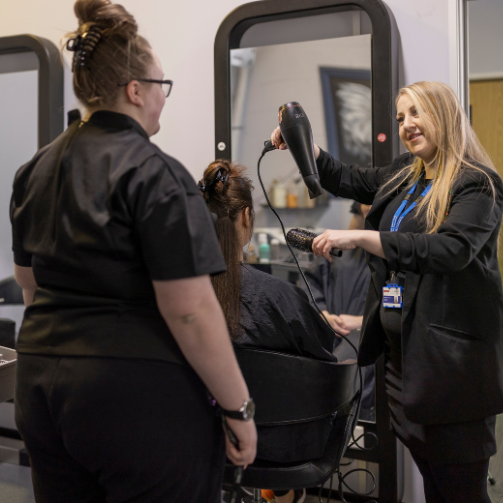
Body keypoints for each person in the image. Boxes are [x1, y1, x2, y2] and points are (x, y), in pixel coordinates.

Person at [10, 1, 256, 502]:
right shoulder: (155, 173)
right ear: (136, 90)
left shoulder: (34, 169)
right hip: (132, 399)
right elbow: (189, 310)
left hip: (40, 388)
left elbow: (29, 282)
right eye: (161, 87)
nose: (164, 99)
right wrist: (239, 409)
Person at [271, 81, 503, 503]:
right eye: (400, 118)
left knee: (460, 490)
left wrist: (362, 239)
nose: (406, 125)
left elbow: (449, 250)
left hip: (452, 371)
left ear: (444, 114)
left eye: (416, 113)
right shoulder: (404, 175)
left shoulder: (478, 185)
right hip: (404, 365)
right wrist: (302, 142)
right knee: (434, 484)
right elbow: (346, 177)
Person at [199, 160, 339, 503]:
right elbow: (323, 348)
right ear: (246, 216)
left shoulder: (184, 300)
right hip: (284, 448)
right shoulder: (278, 296)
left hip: (208, 440)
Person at [305, 201, 374, 421]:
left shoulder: (396, 249)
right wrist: (322, 313)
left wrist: (363, 321)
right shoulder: (344, 245)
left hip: (366, 342)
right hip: (333, 336)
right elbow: (313, 282)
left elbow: (405, 303)